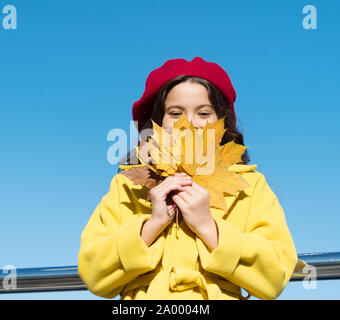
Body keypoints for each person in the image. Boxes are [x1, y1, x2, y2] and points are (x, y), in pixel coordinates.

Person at [78, 56, 298, 300]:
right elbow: (93, 273)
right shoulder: (127, 186)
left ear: (222, 123)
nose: (189, 123)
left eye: (204, 113)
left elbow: (275, 276)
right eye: (175, 113)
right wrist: (151, 226)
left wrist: (208, 227)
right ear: (156, 123)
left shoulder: (251, 186)